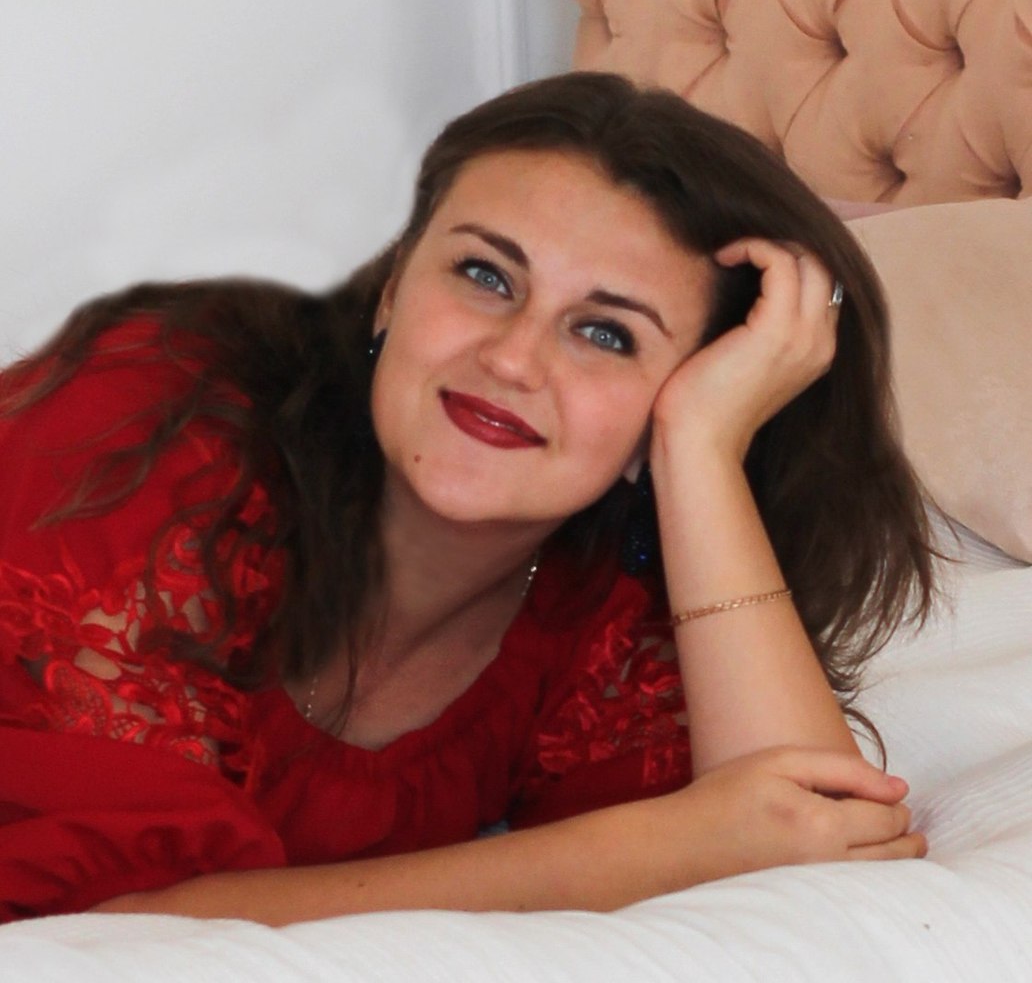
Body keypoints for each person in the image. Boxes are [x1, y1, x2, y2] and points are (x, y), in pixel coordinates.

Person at [0, 72, 932, 925]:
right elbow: (106, 935)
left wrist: (699, 447)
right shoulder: (146, 431)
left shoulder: (604, 613)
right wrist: (642, 852)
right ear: (392, 288)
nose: (512, 359)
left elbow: (818, 858)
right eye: (486, 276)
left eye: (607, 335)